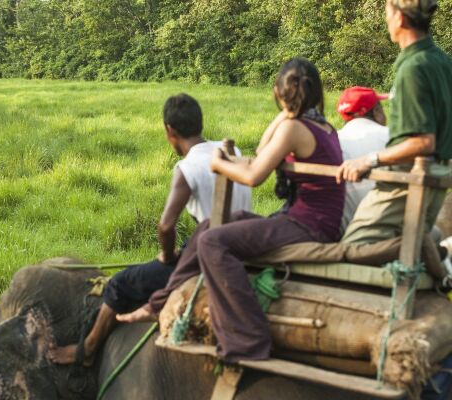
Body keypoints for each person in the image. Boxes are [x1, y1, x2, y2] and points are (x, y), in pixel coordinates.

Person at [119, 59, 345, 362]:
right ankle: (159, 303)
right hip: (308, 217)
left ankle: (247, 338)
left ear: (278, 92)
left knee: (214, 241)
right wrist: (287, 111)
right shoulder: (321, 124)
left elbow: (254, 175)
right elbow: (264, 151)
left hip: (309, 224)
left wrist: (219, 164)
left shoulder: (295, 127)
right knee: (211, 225)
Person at [48, 93, 251, 365]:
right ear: (199, 123)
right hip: (242, 244)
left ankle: (87, 349)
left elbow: (166, 225)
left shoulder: (187, 167)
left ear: (170, 131)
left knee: (119, 284)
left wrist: (167, 256)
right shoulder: (231, 151)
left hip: (210, 256)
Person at [338, 0, 452, 245]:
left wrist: (368, 160)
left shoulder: (413, 67)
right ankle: (437, 255)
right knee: (406, 243)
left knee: (354, 246)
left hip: (407, 178)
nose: (386, 20)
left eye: (387, 13)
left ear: (400, 18)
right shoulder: (442, 61)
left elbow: (422, 142)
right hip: (439, 177)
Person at [336, 86, 389, 231]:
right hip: (388, 228)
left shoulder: (332, 140)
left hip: (341, 229)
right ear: (377, 112)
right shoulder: (394, 139)